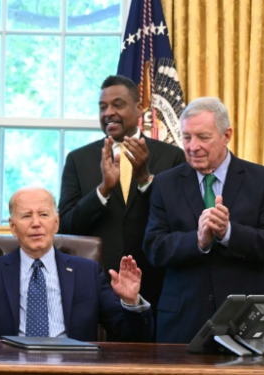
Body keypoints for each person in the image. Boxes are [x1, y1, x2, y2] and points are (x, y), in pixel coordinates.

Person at [0, 186, 153, 342]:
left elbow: (132, 338)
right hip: (9, 371)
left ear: (56, 223)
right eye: (26, 216)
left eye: (43, 215)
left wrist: (131, 302)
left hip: (73, 370)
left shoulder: (87, 272)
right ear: (13, 227)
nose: (36, 223)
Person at [143, 97, 264, 344]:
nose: (192, 146)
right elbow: (154, 248)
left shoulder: (262, 180)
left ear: (226, 135)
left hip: (245, 321)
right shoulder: (165, 184)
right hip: (183, 322)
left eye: (203, 137)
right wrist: (198, 242)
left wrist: (229, 233)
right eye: (186, 137)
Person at [58, 75, 184, 314]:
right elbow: (66, 225)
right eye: (103, 107)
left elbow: (178, 220)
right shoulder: (78, 159)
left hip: (155, 282)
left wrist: (145, 180)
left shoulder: (172, 157)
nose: (109, 113)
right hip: (95, 283)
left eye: (118, 104)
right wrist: (103, 189)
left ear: (139, 108)